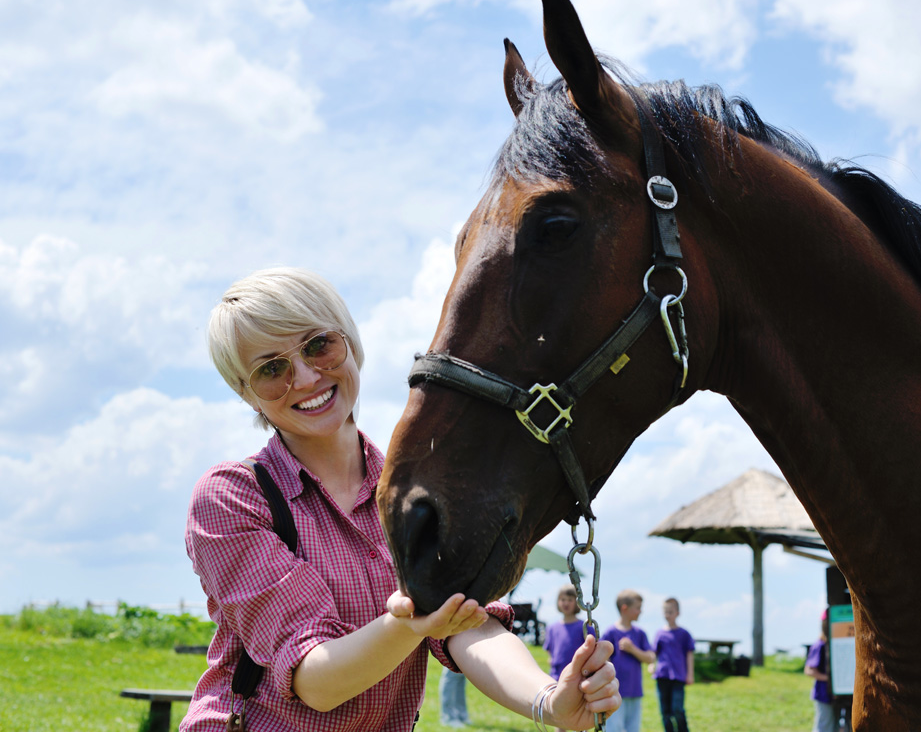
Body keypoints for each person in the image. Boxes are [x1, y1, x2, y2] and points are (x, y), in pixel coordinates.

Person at [181, 267, 620, 732]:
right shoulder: (232, 497)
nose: (307, 377)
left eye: (318, 345)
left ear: (350, 342)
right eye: (272, 369)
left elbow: (467, 624)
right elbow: (317, 680)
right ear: (247, 395)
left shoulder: (416, 490)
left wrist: (548, 701)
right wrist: (412, 624)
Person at [601, 589, 655, 732]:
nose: (640, 611)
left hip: (635, 691)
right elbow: (602, 660)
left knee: (633, 729)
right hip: (614, 692)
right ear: (625, 608)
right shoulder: (610, 633)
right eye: (637, 608)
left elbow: (651, 658)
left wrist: (633, 649)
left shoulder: (640, 634)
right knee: (614, 729)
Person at [543, 585, 588, 732]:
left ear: (577, 603)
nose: (566, 603)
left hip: (578, 677)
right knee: (560, 715)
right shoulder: (552, 627)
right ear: (558, 602)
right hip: (557, 676)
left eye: (570, 599)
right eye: (563, 599)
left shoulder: (584, 626)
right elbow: (550, 649)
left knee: (578, 714)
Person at [652, 598, 694, 732]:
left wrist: (690, 674)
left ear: (677, 613)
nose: (667, 614)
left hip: (678, 676)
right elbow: (654, 653)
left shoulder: (684, 634)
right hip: (662, 675)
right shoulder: (660, 633)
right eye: (665, 611)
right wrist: (651, 665)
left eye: (670, 612)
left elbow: (689, 654)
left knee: (677, 709)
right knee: (665, 711)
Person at [805, 610, 834, 732]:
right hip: (823, 694)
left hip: (834, 696)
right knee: (824, 726)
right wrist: (829, 679)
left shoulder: (833, 644)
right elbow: (809, 670)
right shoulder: (820, 645)